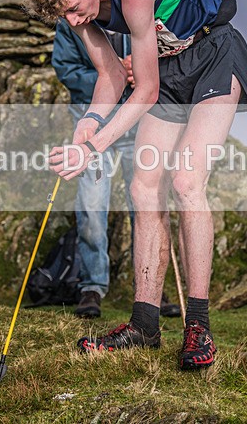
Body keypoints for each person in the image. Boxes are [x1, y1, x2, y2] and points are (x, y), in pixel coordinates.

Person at [25, 0, 247, 370]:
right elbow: (112, 74)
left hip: (213, 54)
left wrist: (91, 148)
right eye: (67, 16)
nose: (77, 21)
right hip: (171, 69)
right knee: (143, 185)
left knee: (187, 181)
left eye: (77, 9)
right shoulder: (76, 6)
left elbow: (144, 90)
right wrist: (91, 122)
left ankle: (199, 327)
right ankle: (144, 325)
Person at [52, 18, 180, 319]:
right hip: (91, 128)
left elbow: (166, 55)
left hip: (135, 123)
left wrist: (144, 69)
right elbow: (66, 70)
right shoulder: (71, 22)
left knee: (146, 205)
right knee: (92, 205)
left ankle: (151, 290)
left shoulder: (130, 13)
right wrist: (114, 74)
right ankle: (92, 287)